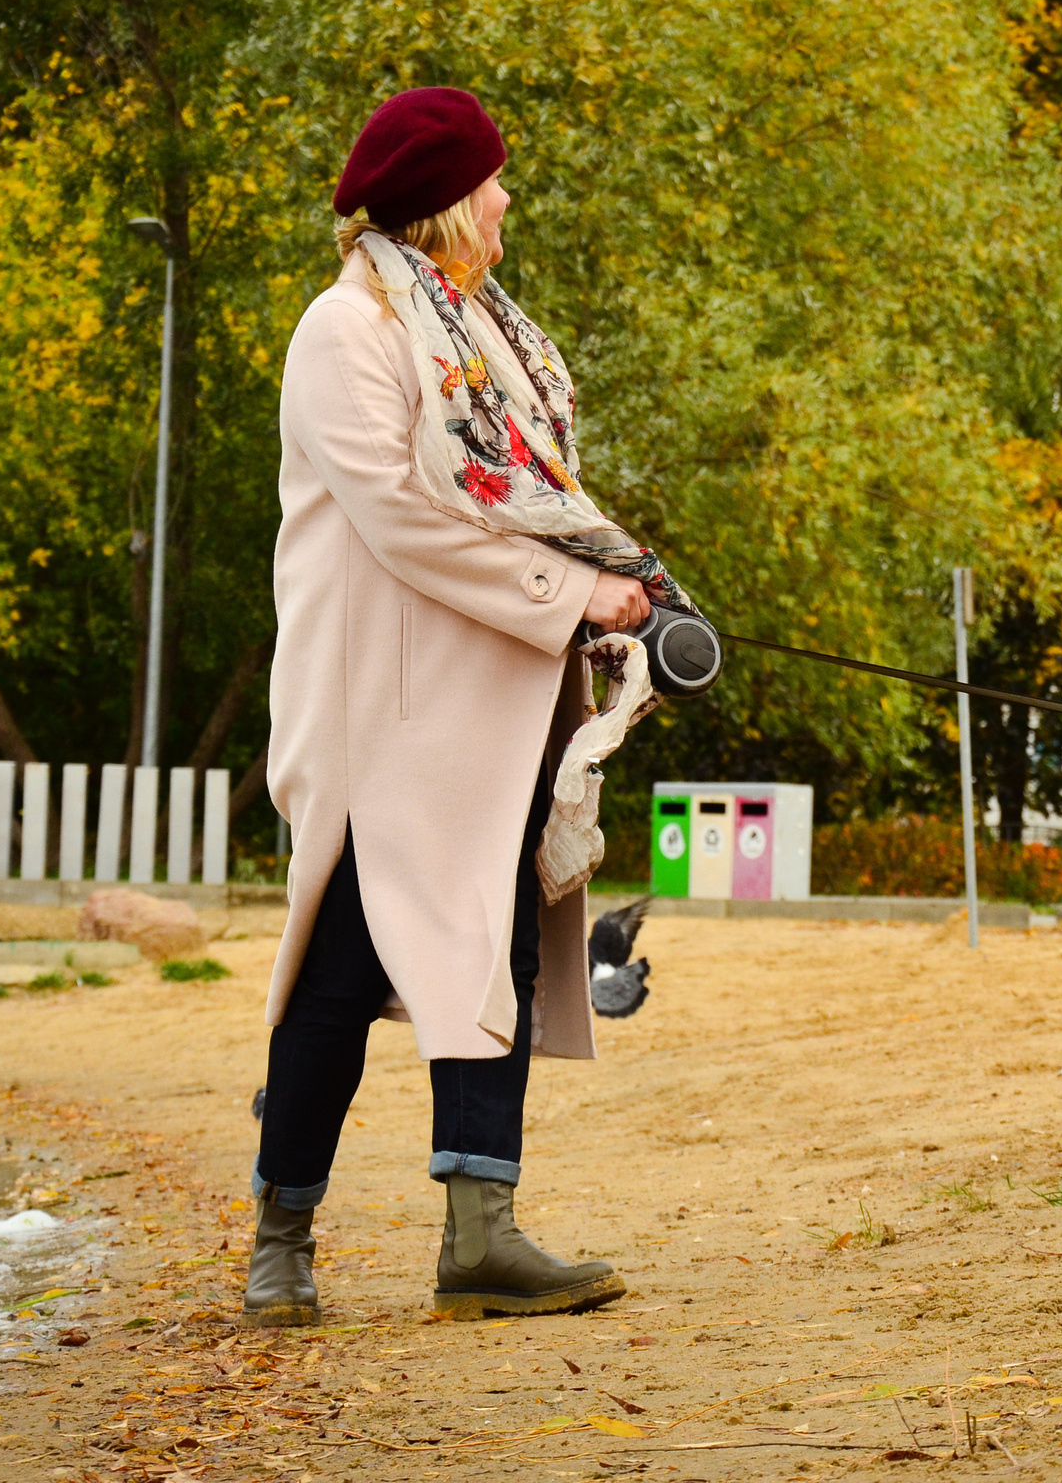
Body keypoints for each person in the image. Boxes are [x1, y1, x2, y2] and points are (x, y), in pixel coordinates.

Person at [251, 86, 693, 1325]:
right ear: (445, 198)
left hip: (496, 699)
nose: (506, 199)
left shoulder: (485, 333)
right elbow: (401, 517)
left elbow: (527, 499)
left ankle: (480, 1236)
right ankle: (281, 1242)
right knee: (340, 968)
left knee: (498, 951)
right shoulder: (345, 331)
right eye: (492, 180)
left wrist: (611, 595)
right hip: (381, 720)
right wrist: (576, 593)